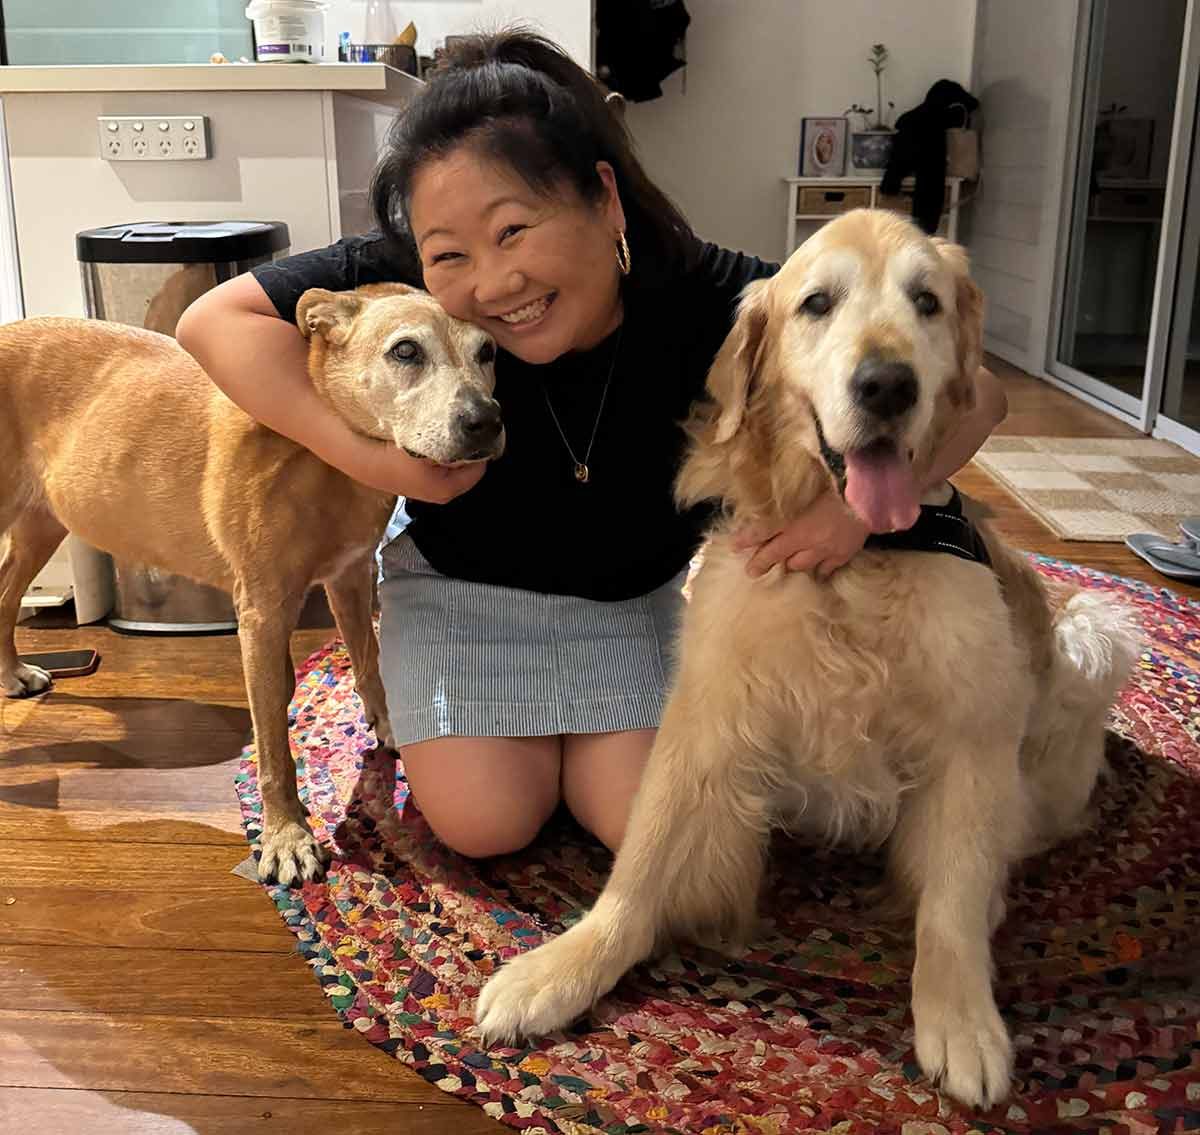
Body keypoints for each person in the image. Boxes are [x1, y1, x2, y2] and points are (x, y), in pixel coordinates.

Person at [176, 30, 1008, 860]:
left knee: (653, 826)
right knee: (486, 822)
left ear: (604, 199)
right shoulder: (412, 280)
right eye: (451, 254)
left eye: (514, 230)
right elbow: (211, 322)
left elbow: (981, 396)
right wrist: (378, 463)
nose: (493, 282)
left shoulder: (706, 292)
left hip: (630, 606)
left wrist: (852, 514)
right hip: (461, 594)